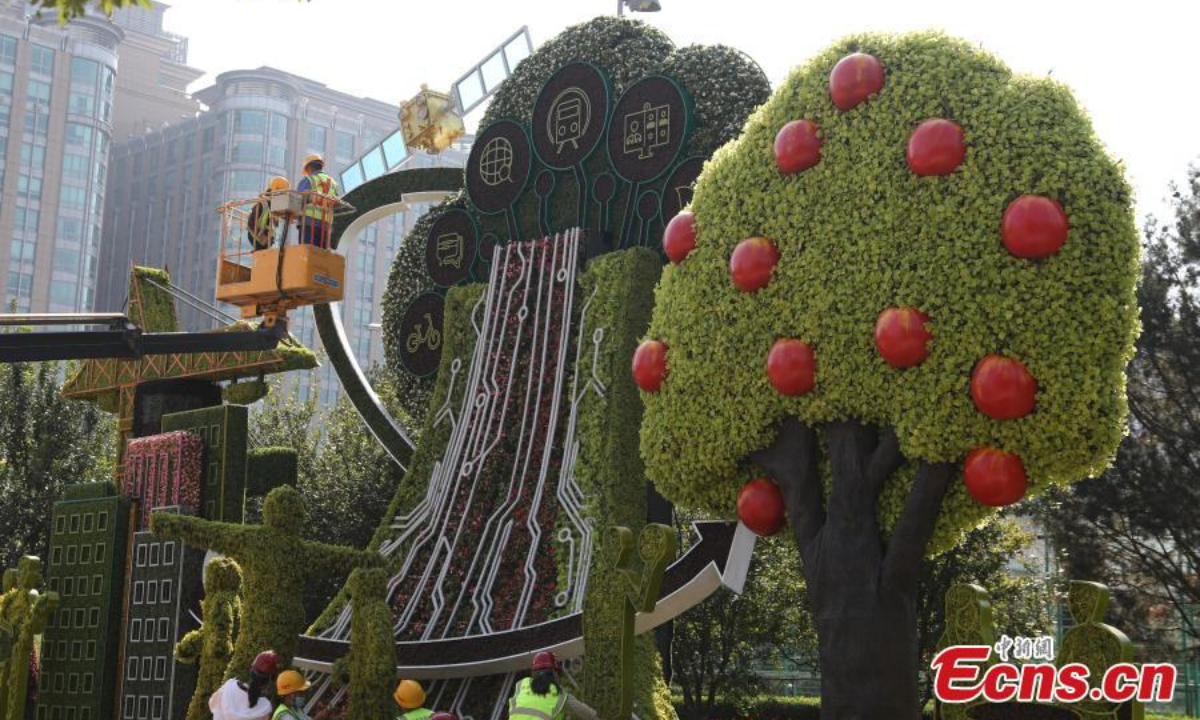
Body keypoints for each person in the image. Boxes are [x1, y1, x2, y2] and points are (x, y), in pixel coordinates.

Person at [508, 652, 598, 720]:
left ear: (533, 672)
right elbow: (586, 713)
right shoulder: (559, 694)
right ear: (554, 673)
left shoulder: (521, 684)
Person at [209, 650, 280, 720]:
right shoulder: (264, 707)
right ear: (269, 680)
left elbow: (212, 704)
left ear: (252, 670)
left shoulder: (229, 686)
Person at [295, 154, 339, 247]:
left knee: (306, 254)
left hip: (309, 224)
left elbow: (297, 200)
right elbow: (335, 202)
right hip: (326, 226)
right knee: (320, 257)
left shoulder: (309, 179)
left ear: (309, 167)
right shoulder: (333, 183)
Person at [247, 177, 290, 250]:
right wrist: (262, 237)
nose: (284, 194)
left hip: (265, 238)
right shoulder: (264, 203)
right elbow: (251, 223)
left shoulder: (273, 203)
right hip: (257, 237)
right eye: (283, 191)